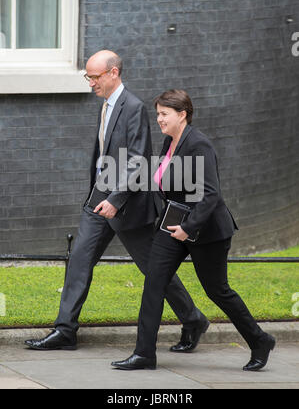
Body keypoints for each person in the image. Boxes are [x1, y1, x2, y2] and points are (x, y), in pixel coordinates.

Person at [25, 52, 208, 352]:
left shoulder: (132, 107)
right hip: (99, 196)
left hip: (126, 203)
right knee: (80, 260)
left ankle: (193, 319)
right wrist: (99, 192)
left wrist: (115, 199)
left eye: (94, 77)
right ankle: (65, 330)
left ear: (113, 73)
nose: (90, 83)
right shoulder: (106, 106)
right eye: (88, 77)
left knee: (153, 267)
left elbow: (137, 160)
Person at [112, 89, 276, 372]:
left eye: (164, 114)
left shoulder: (199, 144)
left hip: (206, 229)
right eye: (158, 114)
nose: (159, 119)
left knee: (217, 290)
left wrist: (187, 228)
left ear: (182, 114)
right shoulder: (169, 142)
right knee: (154, 282)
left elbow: (210, 195)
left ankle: (260, 340)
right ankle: (144, 354)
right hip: (172, 222)